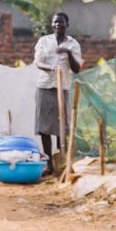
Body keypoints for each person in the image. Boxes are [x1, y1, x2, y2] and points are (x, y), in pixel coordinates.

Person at [34, 12, 83, 177]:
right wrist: (51, 69)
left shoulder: (73, 44)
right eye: (55, 22)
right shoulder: (44, 41)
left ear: (67, 25)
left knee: (62, 126)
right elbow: (38, 61)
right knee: (44, 127)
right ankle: (48, 163)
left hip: (62, 88)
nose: (57, 25)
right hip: (45, 86)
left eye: (61, 22)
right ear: (52, 24)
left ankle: (62, 162)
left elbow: (77, 69)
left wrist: (67, 53)